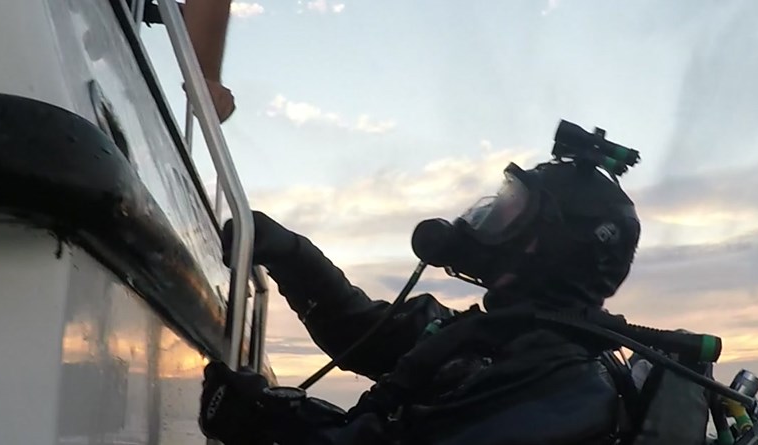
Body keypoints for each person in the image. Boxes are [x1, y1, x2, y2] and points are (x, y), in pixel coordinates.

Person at [195, 135, 650, 444]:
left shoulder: (567, 386)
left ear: (549, 246)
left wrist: (269, 418)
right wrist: (291, 254)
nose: (490, 217)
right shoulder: (494, 336)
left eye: (513, 210)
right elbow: (363, 333)